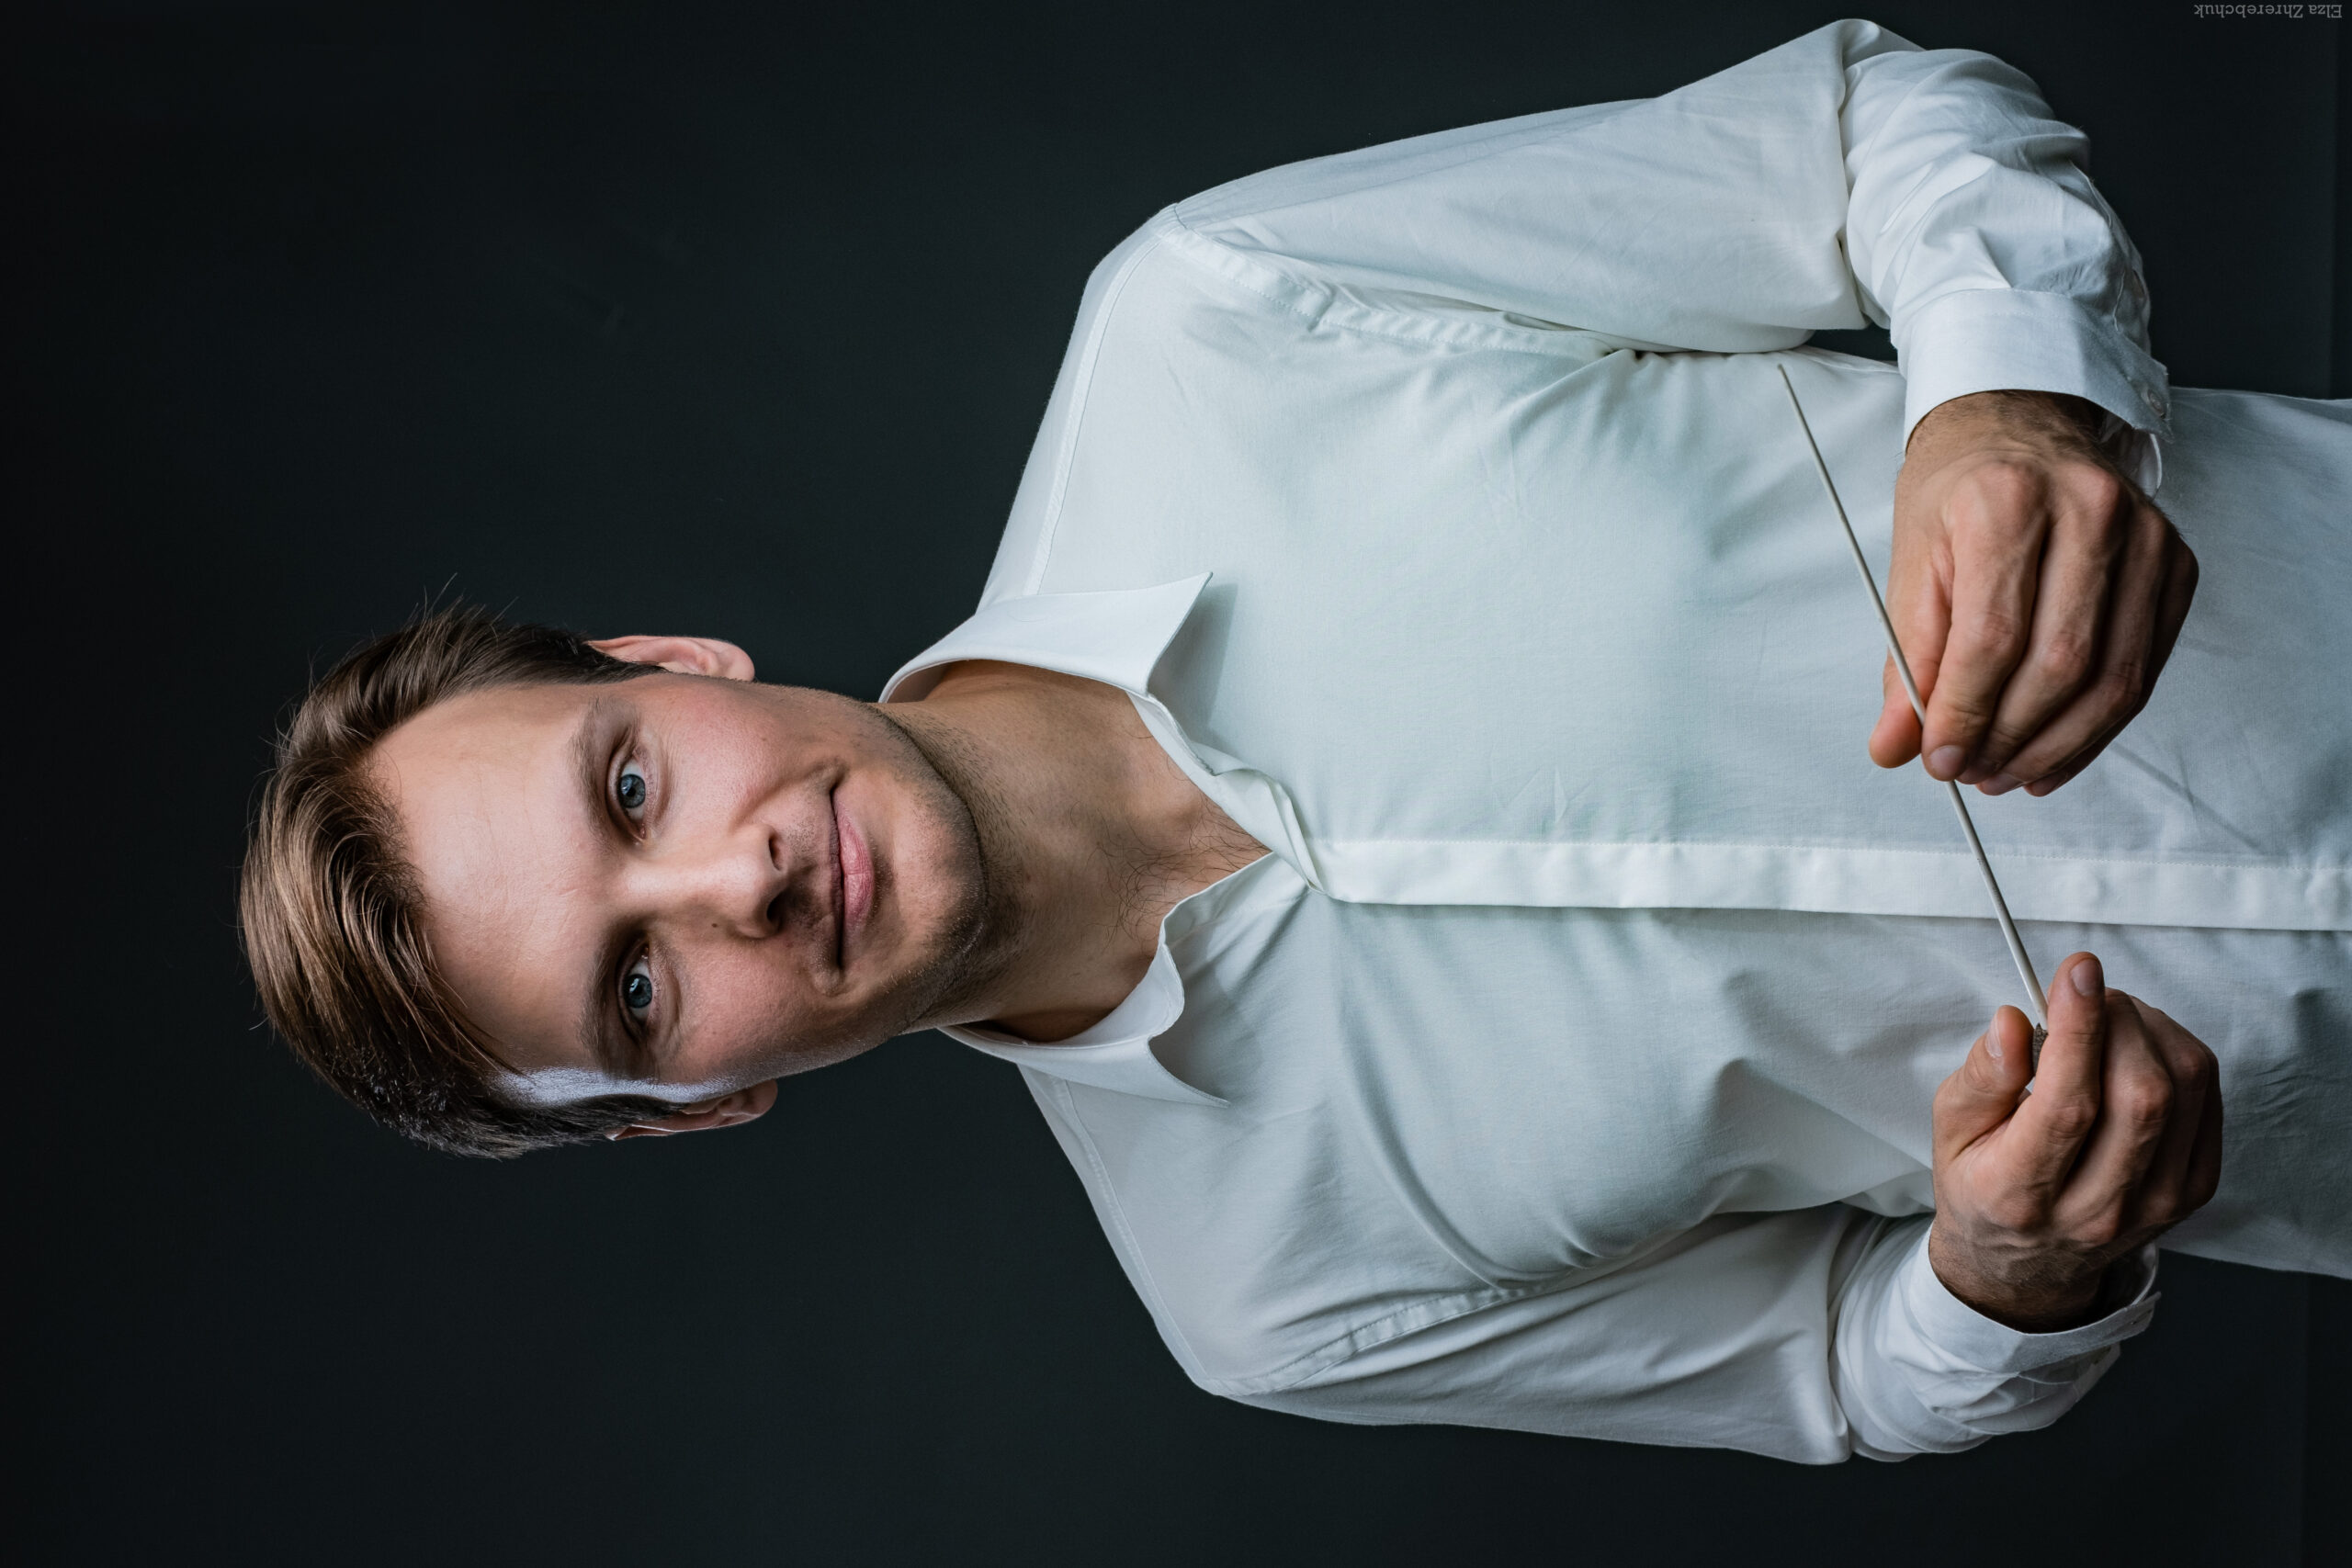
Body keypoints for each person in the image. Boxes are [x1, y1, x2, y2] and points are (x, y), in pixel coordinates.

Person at [240, 19, 2348, 1462]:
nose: (736, 877)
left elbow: (1865, 128)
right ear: (688, 1113)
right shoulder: (1270, 1306)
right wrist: (2000, 1278)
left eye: (627, 789)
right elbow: (1842, 1365)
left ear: (675, 664)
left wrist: (2006, 398)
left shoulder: (1215, 315)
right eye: (636, 977)